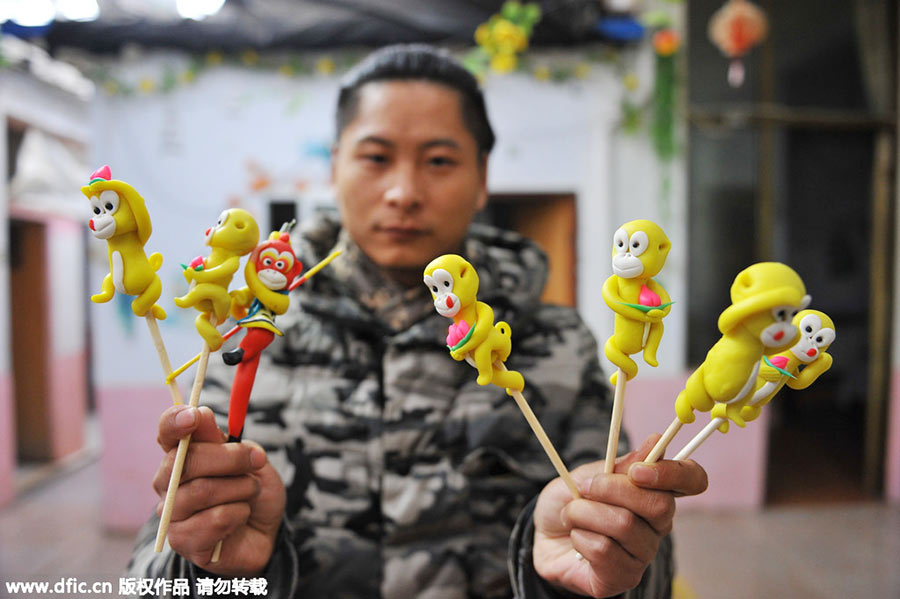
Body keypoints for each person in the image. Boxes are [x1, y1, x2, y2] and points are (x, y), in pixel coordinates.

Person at [127, 44, 708, 598]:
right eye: (375, 158)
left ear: (482, 179)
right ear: (335, 168)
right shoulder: (252, 336)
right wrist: (207, 562)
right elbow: (151, 575)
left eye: (438, 161)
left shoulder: (555, 345)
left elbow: (637, 576)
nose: (404, 192)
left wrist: (594, 558)